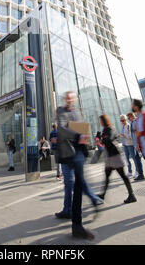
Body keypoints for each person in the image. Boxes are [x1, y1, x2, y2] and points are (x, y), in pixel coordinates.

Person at [56, 91, 102, 240]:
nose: (69, 100)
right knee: (76, 183)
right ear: (65, 99)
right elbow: (62, 129)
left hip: (79, 152)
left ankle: (76, 222)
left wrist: (84, 136)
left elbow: (82, 129)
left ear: (75, 99)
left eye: (72, 98)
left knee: (78, 184)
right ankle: (78, 220)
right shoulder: (60, 110)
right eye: (67, 98)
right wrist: (78, 135)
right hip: (69, 153)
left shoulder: (77, 112)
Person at [98, 114, 137, 204]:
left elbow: (109, 138)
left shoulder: (110, 128)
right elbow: (106, 139)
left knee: (122, 175)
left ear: (104, 121)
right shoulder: (106, 129)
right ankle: (102, 195)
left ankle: (132, 195)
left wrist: (102, 139)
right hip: (110, 156)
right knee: (107, 176)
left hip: (114, 156)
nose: (100, 122)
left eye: (100, 120)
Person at [120, 114, 142, 180]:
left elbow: (131, 136)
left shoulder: (129, 126)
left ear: (126, 119)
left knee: (134, 158)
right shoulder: (122, 127)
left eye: (123, 120)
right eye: (121, 120)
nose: (122, 121)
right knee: (127, 159)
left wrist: (123, 135)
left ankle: (137, 171)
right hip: (125, 144)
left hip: (130, 144)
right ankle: (130, 171)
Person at [126, 112, 145, 181]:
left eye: (128, 117)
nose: (128, 119)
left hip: (138, 144)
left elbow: (137, 134)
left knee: (138, 159)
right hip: (137, 143)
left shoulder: (134, 123)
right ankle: (143, 174)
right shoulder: (133, 123)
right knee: (140, 158)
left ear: (132, 116)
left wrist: (137, 144)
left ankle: (141, 174)